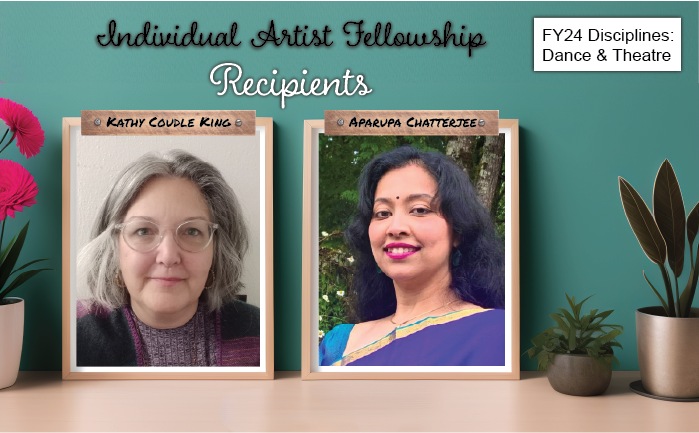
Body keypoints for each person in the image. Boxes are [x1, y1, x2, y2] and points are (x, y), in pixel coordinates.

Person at [319, 145, 505, 366]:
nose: (395, 227)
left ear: (457, 231)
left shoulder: (495, 334)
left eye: (419, 210)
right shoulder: (337, 344)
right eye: (383, 213)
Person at [77, 150, 259, 367]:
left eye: (191, 231)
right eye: (143, 231)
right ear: (113, 248)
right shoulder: (71, 335)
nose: (168, 256)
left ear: (217, 250)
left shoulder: (264, 334)